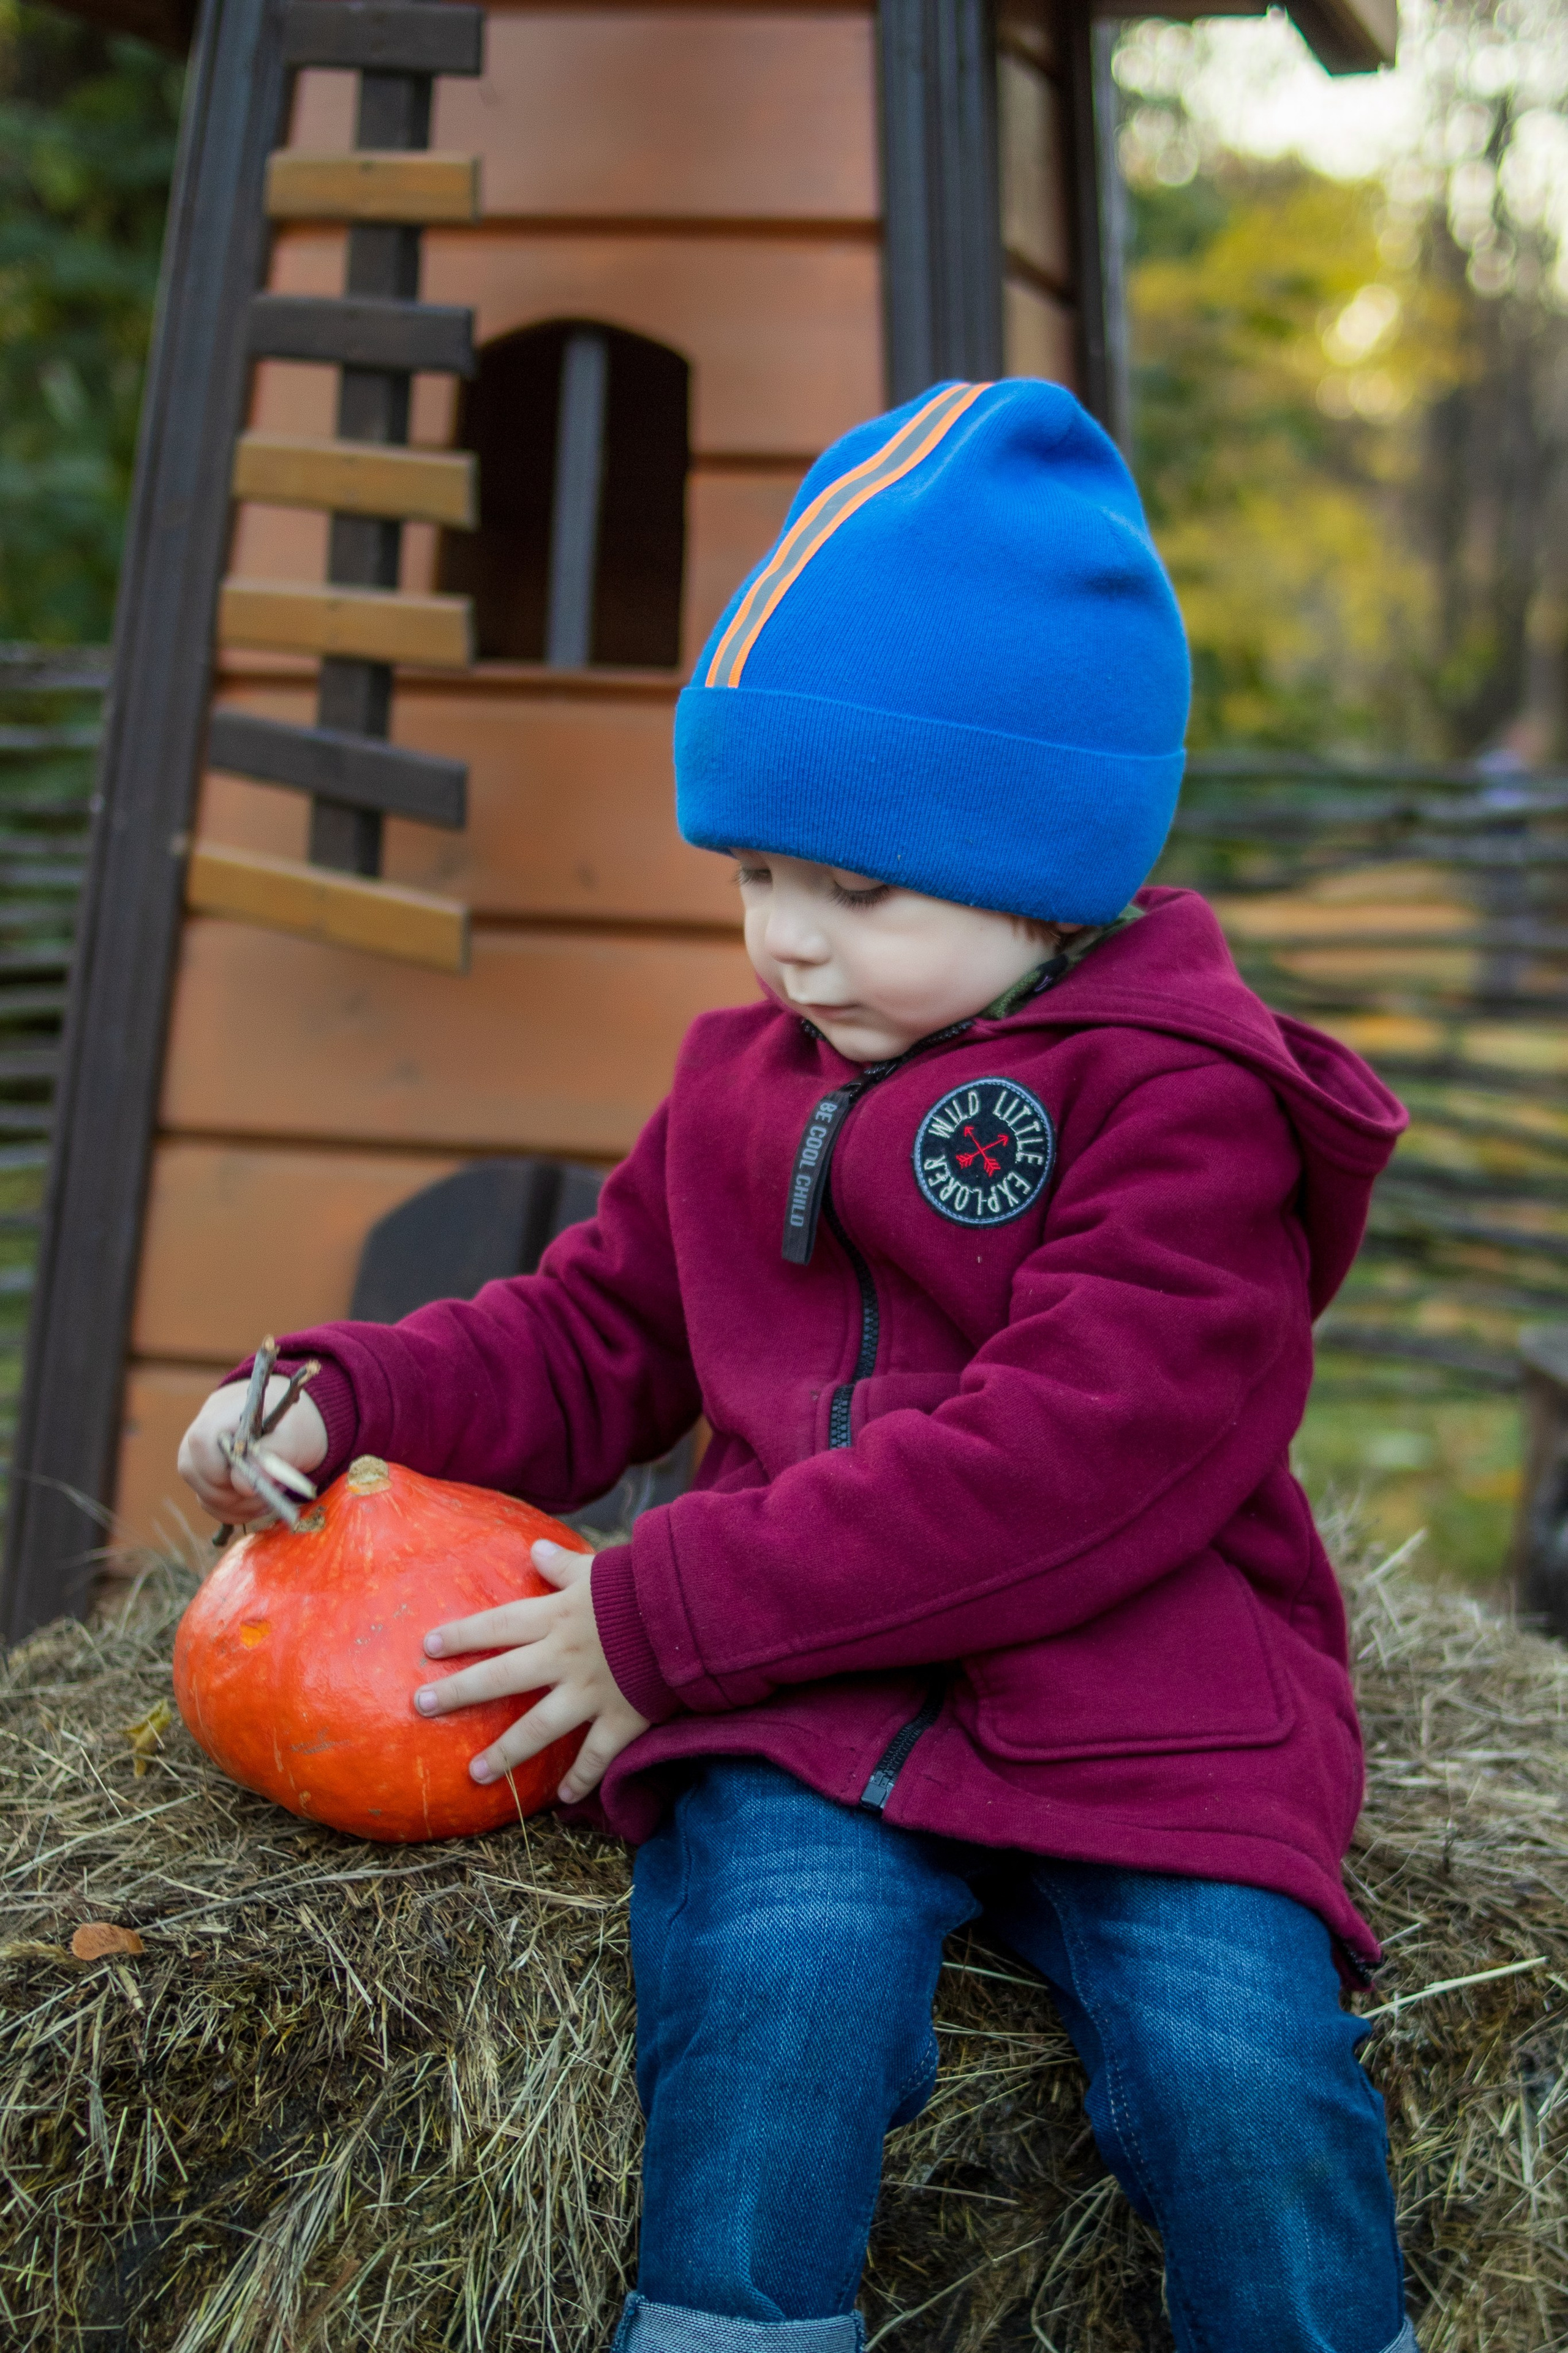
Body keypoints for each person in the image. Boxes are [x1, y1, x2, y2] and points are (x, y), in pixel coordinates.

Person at [179, 379, 1415, 2353]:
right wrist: (355, 1395)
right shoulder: (748, 1085)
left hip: (1147, 1707)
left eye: (863, 891)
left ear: (1055, 870)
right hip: (808, 1711)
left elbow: (1070, 1457)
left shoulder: (1190, 1113)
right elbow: (598, 1330)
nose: (791, 948)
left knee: (1240, 2067)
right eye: (760, 874)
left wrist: (665, 1609)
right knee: (768, 1995)